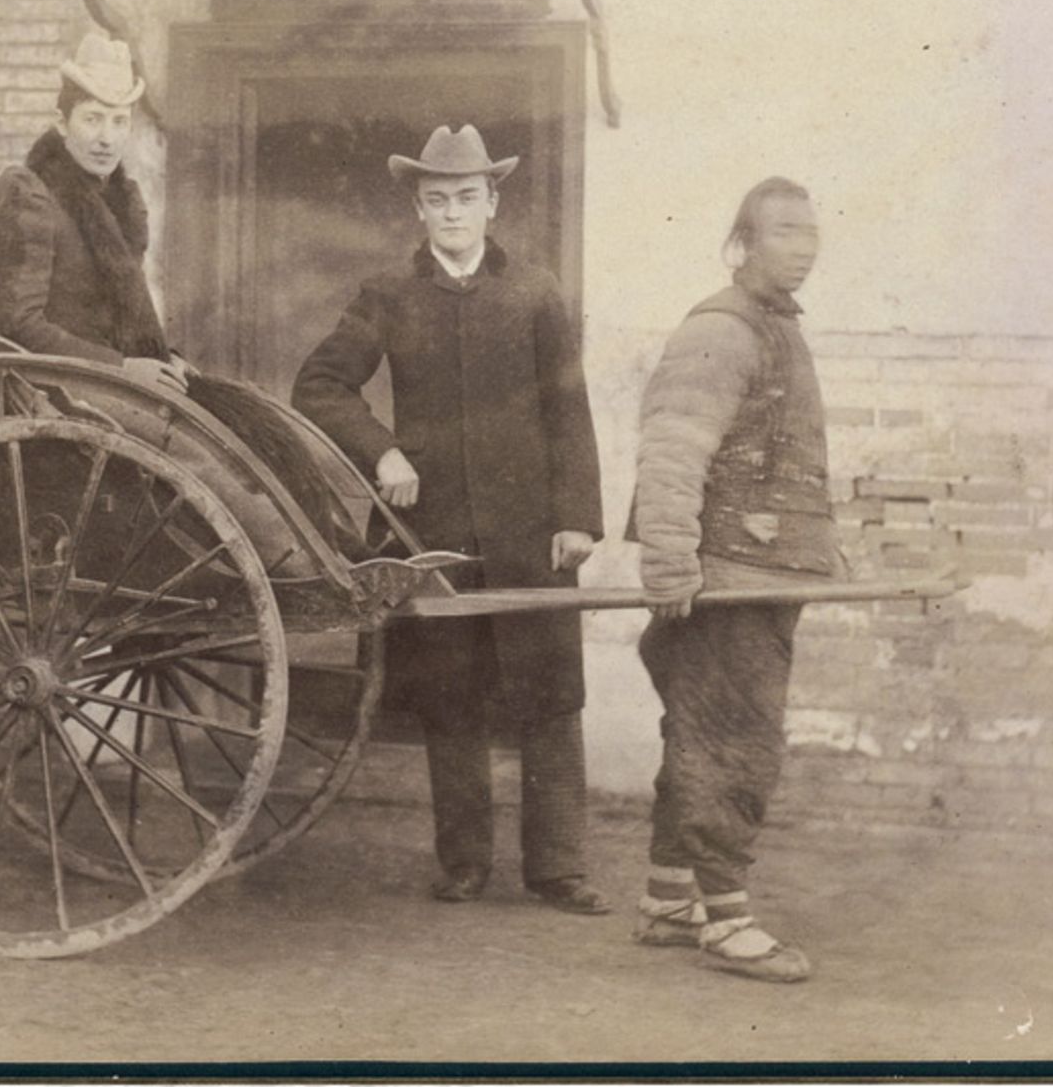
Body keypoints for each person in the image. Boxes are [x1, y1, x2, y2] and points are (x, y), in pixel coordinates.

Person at [293, 125, 609, 915]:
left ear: (492, 202)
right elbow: (321, 385)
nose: (453, 214)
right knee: (452, 698)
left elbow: (568, 410)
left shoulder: (534, 293)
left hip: (530, 529)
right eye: (437, 201)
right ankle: (464, 863)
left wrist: (577, 519)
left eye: (467, 198)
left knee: (550, 696)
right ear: (419, 208)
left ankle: (559, 869)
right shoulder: (388, 297)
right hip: (431, 532)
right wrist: (383, 454)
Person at [627, 175, 841, 983]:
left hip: (763, 571)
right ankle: (727, 920)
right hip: (724, 577)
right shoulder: (722, 329)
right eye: (783, 230)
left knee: (697, 735)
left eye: (811, 231)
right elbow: (674, 448)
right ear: (743, 242)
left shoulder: (775, 325)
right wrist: (672, 560)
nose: (803, 245)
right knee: (732, 743)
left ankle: (668, 900)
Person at [0, 31, 188, 393]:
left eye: (119, 121)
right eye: (93, 119)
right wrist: (121, 369)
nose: (107, 138)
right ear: (62, 123)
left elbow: (123, 315)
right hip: (58, 391)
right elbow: (18, 325)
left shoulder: (123, 201)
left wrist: (163, 362)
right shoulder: (29, 194)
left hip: (110, 384)